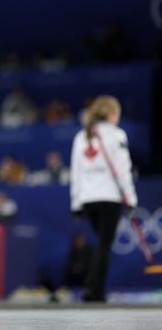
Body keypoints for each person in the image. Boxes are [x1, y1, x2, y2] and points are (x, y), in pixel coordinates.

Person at [70, 95, 137, 302]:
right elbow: (123, 170)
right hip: (109, 198)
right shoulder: (117, 135)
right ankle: (94, 291)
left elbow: (76, 172)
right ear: (110, 114)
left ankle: (94, 289)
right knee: (104, 246)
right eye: (117, 113)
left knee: (101, 244)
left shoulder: (82, 136)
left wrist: (76, 203)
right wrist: (132, 199)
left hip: (88, 200)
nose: (118, 117)